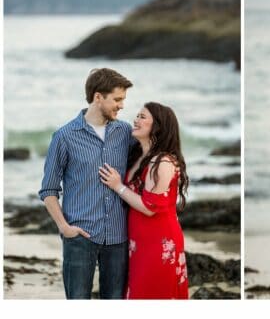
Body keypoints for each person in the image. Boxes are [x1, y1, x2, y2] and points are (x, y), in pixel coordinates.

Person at [40, 68, 134, 299]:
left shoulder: (125, 132)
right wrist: (64, 228)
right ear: (98, 97)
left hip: (118, 236)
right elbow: (48, 190)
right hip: (80, 237)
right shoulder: (64, 137)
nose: (122, 106)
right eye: (117, 99)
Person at [99, 102, 191, 299]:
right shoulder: (140, 157)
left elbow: (150, 207)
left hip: (158, 243)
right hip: (138, 243)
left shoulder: (163, 162)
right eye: (137, 115)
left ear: (158, 126)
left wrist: (118, 186)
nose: (136, 120)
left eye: (142, 117)